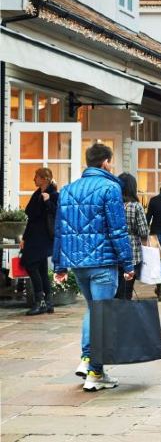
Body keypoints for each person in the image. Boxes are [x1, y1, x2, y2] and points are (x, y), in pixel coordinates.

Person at [53, 143, 133, 391]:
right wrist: (127, 263)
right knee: (100, 314)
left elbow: (60, 231)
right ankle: (95, 372)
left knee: (93, 310)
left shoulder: (67, 190)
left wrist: (59, 265)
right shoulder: (110, 188)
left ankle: (87, 359)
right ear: (106, 162)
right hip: (103, 263)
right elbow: (118, 229)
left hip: (79, 264)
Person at [20, 167, 58, 316]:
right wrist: (24, 237)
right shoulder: (37, 194)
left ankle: (40, 302)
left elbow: (57, 213)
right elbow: (31, 218)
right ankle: (48, 302)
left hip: (44, 238)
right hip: (33, 237)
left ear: (44, 179)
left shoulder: (54, 195)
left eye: (36, 177)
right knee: (40, 268)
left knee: (30, 264)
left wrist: (48, 201)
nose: (34, 179)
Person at [116, 173, 149, 300]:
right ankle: (125, 315)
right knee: (127, 289)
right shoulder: (136, 206)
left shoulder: (113, 204)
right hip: (133, 252)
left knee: (116, 287)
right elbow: (143, 231)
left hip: (115, 251)